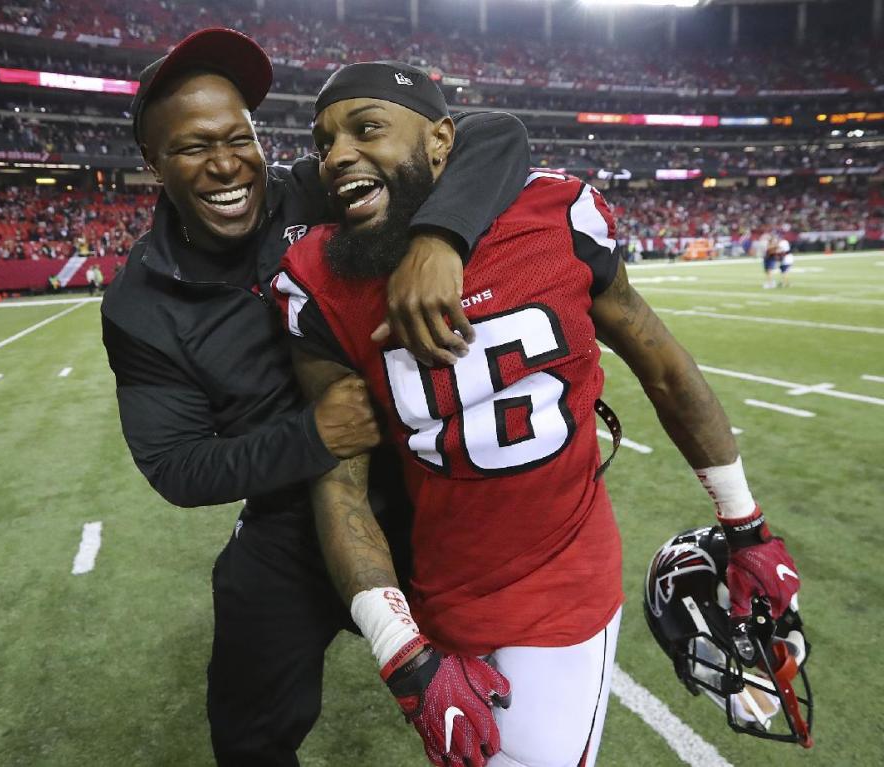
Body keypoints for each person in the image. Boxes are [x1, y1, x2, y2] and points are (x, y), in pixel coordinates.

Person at [274, 63, 803, 767]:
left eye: (366, 128)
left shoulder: (554, 215)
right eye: (323, 142)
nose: (337, 154)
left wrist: (745, 522)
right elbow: (338, 480)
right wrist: (404, 655)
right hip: (441, 585)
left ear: (439, 141)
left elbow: (664, 368)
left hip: (563, 577)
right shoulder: (317, 278)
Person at [100, 28, 530, 767]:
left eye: (240, 138)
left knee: (504, 714)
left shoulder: (315, 185)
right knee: (249, 735)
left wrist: (440, 238)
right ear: (152, 162)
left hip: (419, 493)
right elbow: (175, 465)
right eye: (194, 147)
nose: (228, 163)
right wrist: (315, 433)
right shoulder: (138, 304)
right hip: (289, 522)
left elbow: (494, 134)